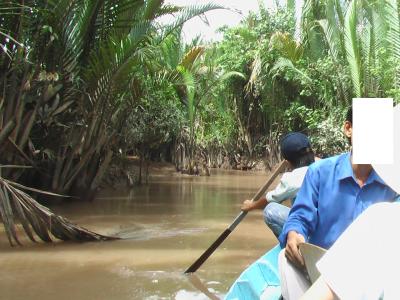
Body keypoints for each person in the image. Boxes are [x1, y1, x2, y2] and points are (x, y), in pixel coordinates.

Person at [278, 107, 399, 300]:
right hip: (318, 268)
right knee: (285, 258)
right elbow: (300, 216)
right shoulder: (319, 172)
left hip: (367, 281)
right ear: (348, 129)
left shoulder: (393, 185)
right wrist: (294, 234)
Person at [241, 132, 315, 238]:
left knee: (270, 210)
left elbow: (271, 200)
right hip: (327, 225)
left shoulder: (292, 179)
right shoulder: (326, 165)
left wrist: (251, 205)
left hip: (311, 229)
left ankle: (291, 244)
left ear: (287, 162)